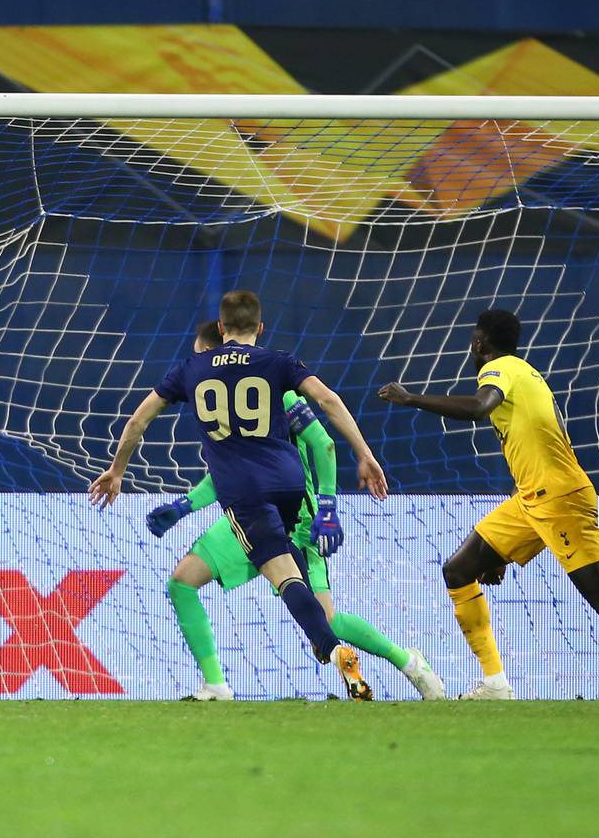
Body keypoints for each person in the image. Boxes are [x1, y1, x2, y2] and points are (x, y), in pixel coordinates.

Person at [379, 309, 599, 700]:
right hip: (531, 498)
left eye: (473, 341)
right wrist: (501, 553)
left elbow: (479, 407)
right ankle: (495, 684)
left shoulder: (501, 369)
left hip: (559, 499)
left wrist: (411, 398)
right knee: (460, 569)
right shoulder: (527, 374)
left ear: (480, 343)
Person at [89, 290, 387, 698]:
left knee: (283, 578)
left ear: (221, 326)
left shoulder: (192, 368)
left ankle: (332, 648)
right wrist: (365, 455)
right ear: (260, 327)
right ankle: (327, 635)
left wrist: (117, 470)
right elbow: (328, 401)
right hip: (291, 485)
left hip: (244, 493)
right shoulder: (278, 361)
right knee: (285, 562)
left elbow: (139, 419)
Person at [148, 320, 444, 701]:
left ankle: (408, 662)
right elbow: (223, 477)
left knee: (327, 620)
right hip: (248, 515)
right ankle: (216, 685)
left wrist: (327, 508)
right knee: (182, 581)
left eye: (202, 357)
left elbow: (323, 445)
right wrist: (183, 505)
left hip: (297, 523)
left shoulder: (276, 394)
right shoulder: (226, 408)